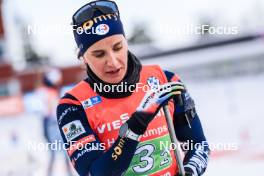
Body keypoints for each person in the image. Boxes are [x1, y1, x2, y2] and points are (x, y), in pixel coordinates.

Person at [57, 1, 210, 176]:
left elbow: (198, 144)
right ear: (83, 58)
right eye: (99, 54)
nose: (113, 62)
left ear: (126, 42)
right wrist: (135, 125)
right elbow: (94, 172)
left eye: (118, 47)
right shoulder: (73, 105)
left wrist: (190, 171)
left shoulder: (164, 80)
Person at [36, 68, 73, 176]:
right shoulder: (49, 92)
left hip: (50, 123)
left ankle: (66, 172)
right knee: (57, 152)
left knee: (59, 151)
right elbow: (50, 111)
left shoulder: (47, 91)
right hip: (52, 123)